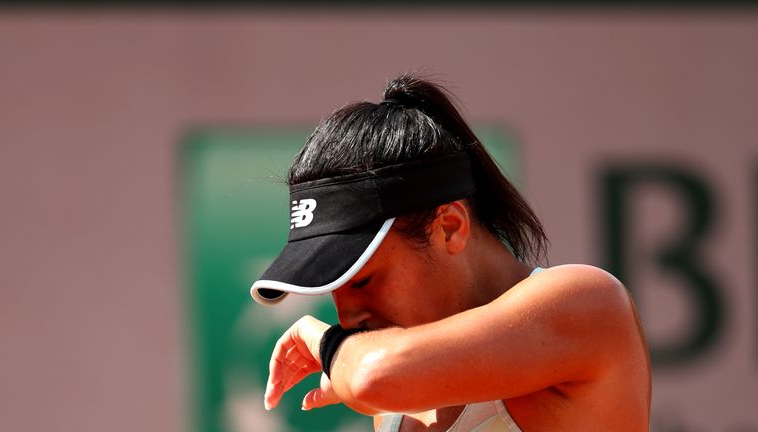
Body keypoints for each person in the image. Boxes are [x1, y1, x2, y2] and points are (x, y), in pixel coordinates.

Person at [250, 73, 651, 431]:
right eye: (335, 286)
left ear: (450, 227)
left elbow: (373, 376)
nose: (346, 315)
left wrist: (328, 345)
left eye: (364, 279)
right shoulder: (390, 399)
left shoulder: (587, 299)